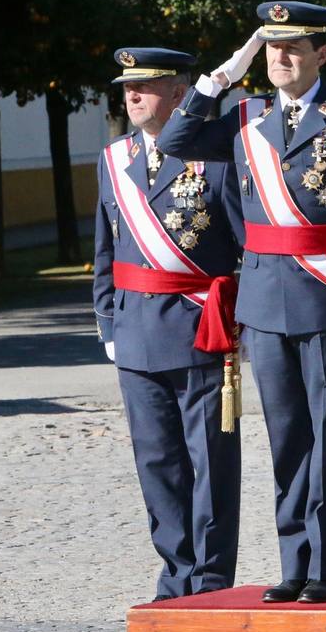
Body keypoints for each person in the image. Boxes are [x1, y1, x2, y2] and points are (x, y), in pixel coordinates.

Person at [158, 1, 326, 604]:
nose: (280, 58)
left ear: (321, 54)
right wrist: (220, 77)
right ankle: (293, 562)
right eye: (271, 48)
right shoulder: (246, 117)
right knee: (286, 436)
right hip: (264, 303)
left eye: (293, 47)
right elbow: (175, 138)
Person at [93, 47, 245, 601]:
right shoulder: (113, 160)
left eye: (147, 85)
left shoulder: (217, 158)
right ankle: (175, 575)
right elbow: (105, 251)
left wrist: (238, 321)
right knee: (156, 463)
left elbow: (244, 248)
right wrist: (108, 323)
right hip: (135, 334)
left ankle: (208, 579)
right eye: (127, 87)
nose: (132, 95)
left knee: (210, 462)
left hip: (197, 329)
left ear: (180, 94)